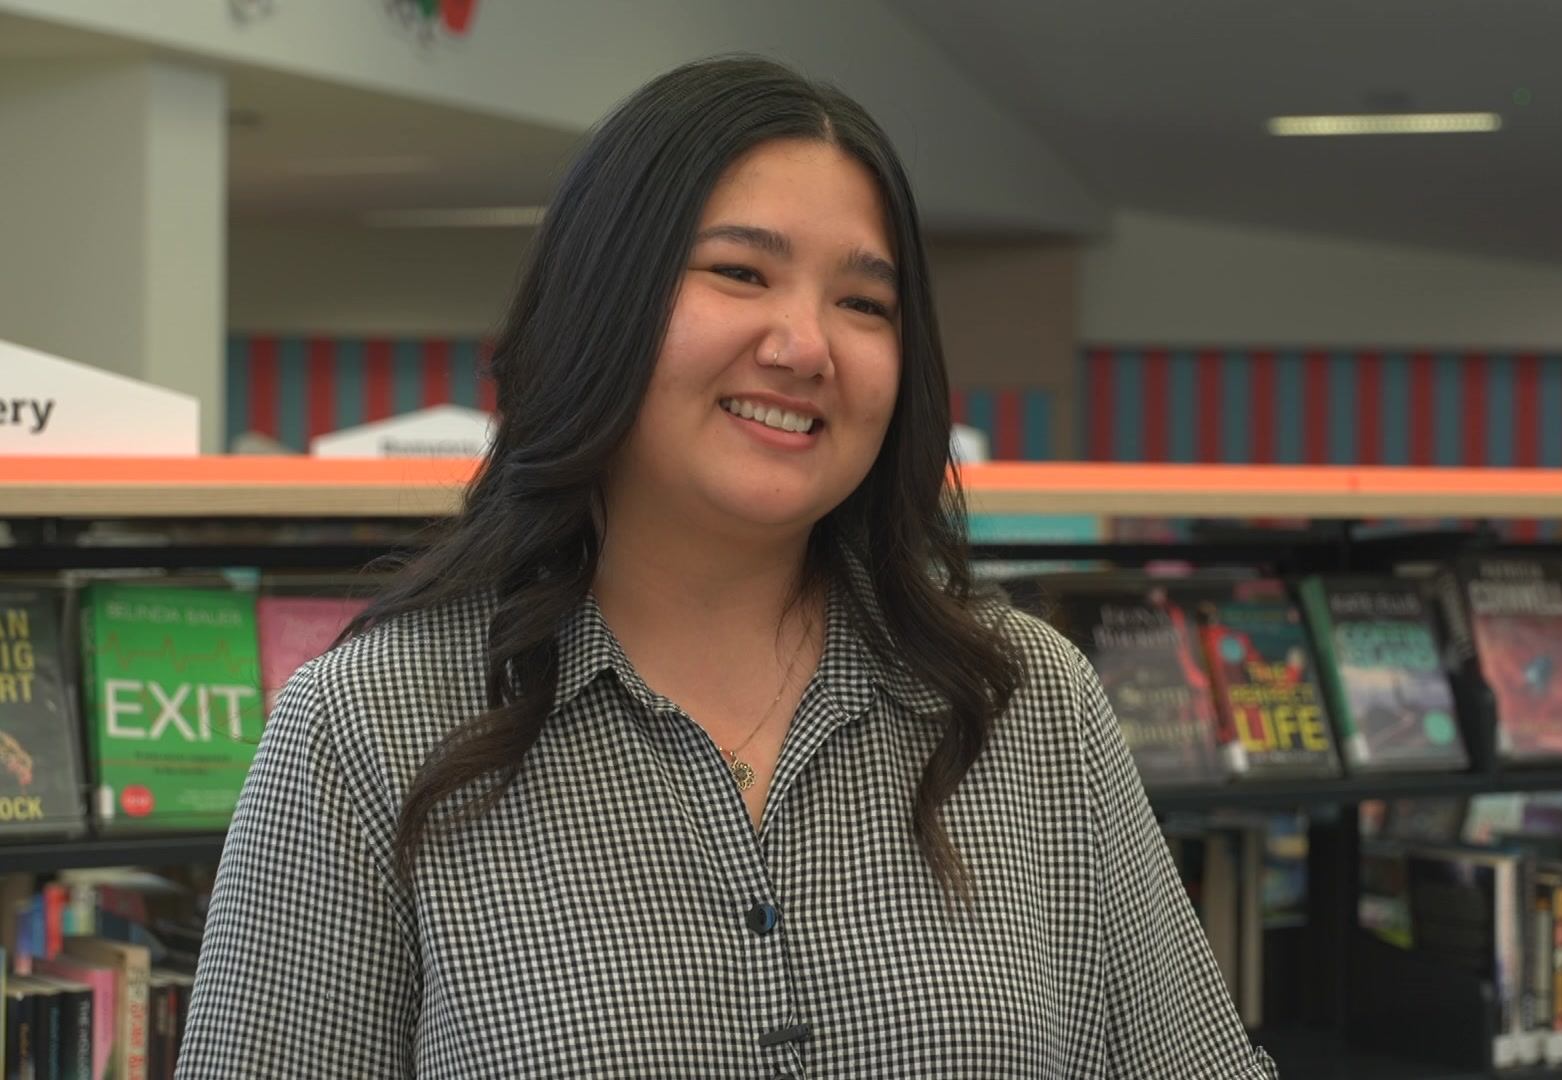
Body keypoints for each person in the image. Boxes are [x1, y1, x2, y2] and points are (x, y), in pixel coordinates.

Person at [176, 55, 1279, 1079]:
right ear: (601, 303)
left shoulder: (1028, 704)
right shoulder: (368, 728)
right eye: (741, 272)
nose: (805, 345)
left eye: (864, 303)